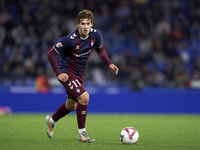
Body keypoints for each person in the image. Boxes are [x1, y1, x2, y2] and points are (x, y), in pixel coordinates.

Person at [45, 9, 119, 143]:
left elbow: (100, 49)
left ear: (92, 24)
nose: (85, 26)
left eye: (88, 23)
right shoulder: (69, 40)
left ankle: (51, 120)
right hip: (67, 73)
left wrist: (109, 63)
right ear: (77, 24)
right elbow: (51, 54)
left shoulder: (95, 35)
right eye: (83, 23)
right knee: (84, 98)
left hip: (80, 74)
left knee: (71, 106)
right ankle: (82, 133)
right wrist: (59, 74)